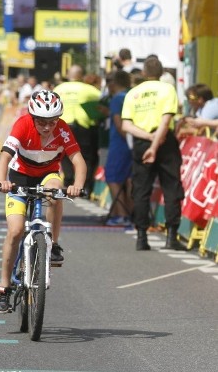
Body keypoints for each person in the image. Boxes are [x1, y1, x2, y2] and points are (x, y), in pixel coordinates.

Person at [0, 90, 86, 313]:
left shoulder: (63, 130)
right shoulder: (22, 125)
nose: (47, 127)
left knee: (55, 191)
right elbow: (5, 156)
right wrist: (1, 181)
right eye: (42, 122)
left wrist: (78, 186)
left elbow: (78, 161)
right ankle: (4, 287)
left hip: (48, 174)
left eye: (52, 121)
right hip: (19, 177)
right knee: (15, 231)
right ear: (33, 118)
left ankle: (53, 244)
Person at [120, 56, 187, 251]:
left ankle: (141, 236)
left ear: (143, 73)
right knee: (171, 188)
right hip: (164, 141)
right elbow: (166, 121)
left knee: (141, 190)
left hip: (143, 142)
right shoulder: (168, 89)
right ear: (162, 72)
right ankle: (171, 236)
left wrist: (148, 139)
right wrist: (156, 143)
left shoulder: (133, 93)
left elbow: (126, 125)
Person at [54, 64, 102, 192]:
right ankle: (84, 186)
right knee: (85, 156)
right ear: (82, 76)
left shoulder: (59, 88)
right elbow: (102, 98)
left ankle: (68, 180)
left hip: (62, 126)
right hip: (82, 125)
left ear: (69, 75)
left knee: (64, 154)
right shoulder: (88, 89)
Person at [103, 70, 134, 226]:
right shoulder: (132, 96)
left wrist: (126, 139)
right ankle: (128, 212)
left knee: (113, 177)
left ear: (114, 83)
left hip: (119, 143)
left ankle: (120, 215)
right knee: (128, 179)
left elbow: (119, 123)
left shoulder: (117, 99)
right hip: (132, 142)